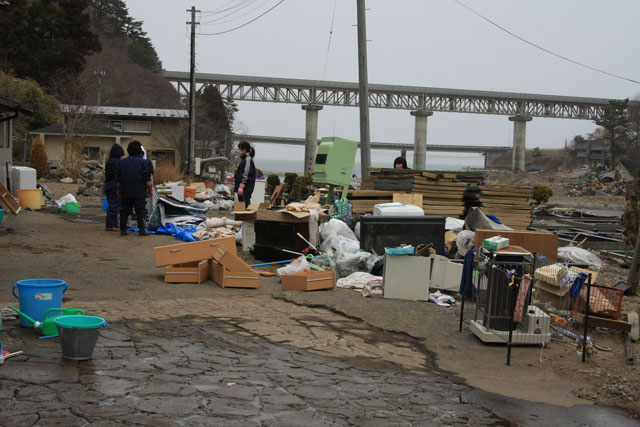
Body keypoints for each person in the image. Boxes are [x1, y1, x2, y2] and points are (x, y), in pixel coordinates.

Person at [117, 140, 152, 236]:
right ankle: (142, 230)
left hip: (126, 191)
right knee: (140, 211)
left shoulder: (122, 162)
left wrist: (118, 191)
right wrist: (150, 191)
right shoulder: (143, 163)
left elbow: (118, 180)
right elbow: (147, 180)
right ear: (140, 151)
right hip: (139, 191)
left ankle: (123, 230)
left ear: (128, 150)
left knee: (124, 211)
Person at [104, 143, 124, 232]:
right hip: (114, 185)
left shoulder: (109, 161)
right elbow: (118, 175)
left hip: (108, 184)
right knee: (114, 205)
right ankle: (111, 225)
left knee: (112, 204)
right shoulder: (116, 162)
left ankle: (114, 224)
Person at [234, 141, 256, 209]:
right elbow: (241, 171)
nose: (240, 151)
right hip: (244, 184)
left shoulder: (248, 159)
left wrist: (242, 184)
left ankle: (248, 216)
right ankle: (242, 216)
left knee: (245, 200)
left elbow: (246, 172)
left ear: (244, 149)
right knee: (242, 201)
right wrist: (234, 176)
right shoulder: (245, 159)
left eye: (240, 150)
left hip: (246, 185)